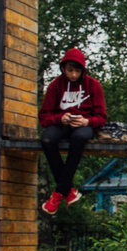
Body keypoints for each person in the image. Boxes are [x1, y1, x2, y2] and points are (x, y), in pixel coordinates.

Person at [38, 47, 108, 215]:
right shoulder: (56, 85)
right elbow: (43, 117)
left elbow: (102, 117)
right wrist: (59, 119)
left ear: (82, 70)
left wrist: (87, 121)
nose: (73, 75)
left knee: (79, 138)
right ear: (63, 68)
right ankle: (68, 191)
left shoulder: (93, 85)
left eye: (77, 71)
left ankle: (58, 194)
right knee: (47, 139)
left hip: (83, 126)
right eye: (70, 70)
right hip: (62, 123)